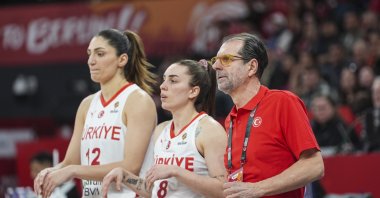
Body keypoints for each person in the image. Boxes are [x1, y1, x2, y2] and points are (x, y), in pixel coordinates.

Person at [33, 28, 157, 198]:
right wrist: (50, 171)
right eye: (89, 54)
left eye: (100, 54)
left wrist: (72, 170)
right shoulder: (87, 104)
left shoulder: (137, 100)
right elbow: (71, 161)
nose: (91, 61)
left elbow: (131, 166)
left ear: (122, 60)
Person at [211, 32, 324, 198]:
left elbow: (314, 165)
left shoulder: (282, 102)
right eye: (215, 60)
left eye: (226, 59)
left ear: (251, 67)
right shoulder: (230, 119)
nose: (216, 66)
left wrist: (258, 189)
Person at [101, 59, 227, 197]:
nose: (162, 86)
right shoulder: (160, 131)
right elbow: (152, 189)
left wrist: (176, 171)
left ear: (193, 91)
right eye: (164, 79)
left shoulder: (209, 130)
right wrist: (125, 176)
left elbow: (223, 190)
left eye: (173, 81)